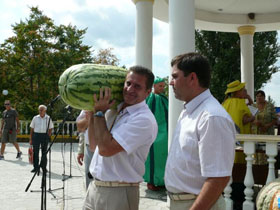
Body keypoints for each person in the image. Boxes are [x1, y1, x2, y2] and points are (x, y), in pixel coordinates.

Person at [164, 53, 236, 210]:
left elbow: (218, 178)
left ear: (192, 78)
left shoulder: (212, 117)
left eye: (175, 76)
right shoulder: (188, 112)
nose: (171, 82)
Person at [83, 65, 158, 210]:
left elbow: (106, 149)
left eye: (137, 86)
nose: (130, 89)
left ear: (148, 92)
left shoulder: (144, 119)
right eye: (128, 83)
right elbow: (94, 146)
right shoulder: (114, 110)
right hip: (95, 187)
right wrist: (92, 111)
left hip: (118, 192)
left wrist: (99, 113)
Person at [143, 76, 168, 191]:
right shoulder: (152, 98)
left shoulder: (164, 98)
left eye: (163, 86)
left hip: (165, 133)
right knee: (153, 157)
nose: (162, 88)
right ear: (154, 86)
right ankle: (151, 181)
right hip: (156, 133)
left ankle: (161, 180)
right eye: (160, 86)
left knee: (162, 158)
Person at [29, 105, 53, 173]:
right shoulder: (35, 118)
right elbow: (32, 129)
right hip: (36, 135)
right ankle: (36, 167)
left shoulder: (48, 118)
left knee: (44, 152)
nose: (40, 111)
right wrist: (31, 138)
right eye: (39, 110)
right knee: (35, 152)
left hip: (44, 135)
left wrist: (48, 135)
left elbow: (51, 128)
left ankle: (44, 167)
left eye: (42, 110)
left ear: (45, 111)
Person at [76, 110, 94, 189]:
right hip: (89, 149)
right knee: (89, 179)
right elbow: (80, 127)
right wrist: (81, 151)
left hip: (108, 150)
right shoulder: (87, 106)